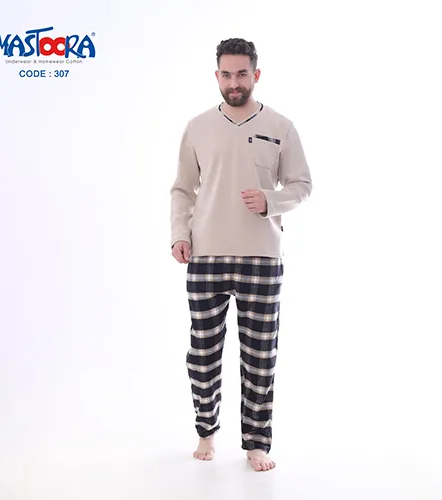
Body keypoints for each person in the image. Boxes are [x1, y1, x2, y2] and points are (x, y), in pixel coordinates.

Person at [170, 38, 312, 472]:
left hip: (261, 257)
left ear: (256, 74)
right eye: (227, 75)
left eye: (242, 74)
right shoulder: (197, 127)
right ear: (217, 76)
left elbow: (302, 185)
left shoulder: (281, 126)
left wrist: (271, 201)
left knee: (260, 357)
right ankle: (206, 431)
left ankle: (256, 443)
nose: (234, 82)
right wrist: (179, 234)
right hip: (205, 255)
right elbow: (182, 189)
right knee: (203, 354)